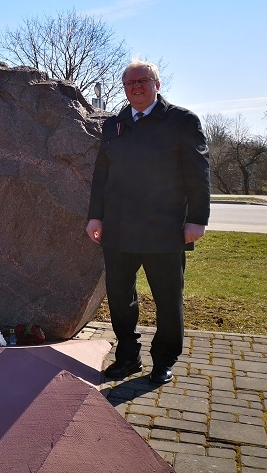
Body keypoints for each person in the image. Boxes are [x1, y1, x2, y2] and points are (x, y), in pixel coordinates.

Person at [86, 60, 210, 385]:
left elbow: (198, 174)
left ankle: (164, 359)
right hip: (119, 229)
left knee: (168, 299)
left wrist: (196, 220)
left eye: (142, 80)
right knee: (120, 298)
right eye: (130, 83)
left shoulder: (181, 121)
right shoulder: (114, 125)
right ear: (124, 89)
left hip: (164, 230)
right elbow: (102, 176)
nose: (136, 87)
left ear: (156, 83)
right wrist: (95, 216)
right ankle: (128, 356)